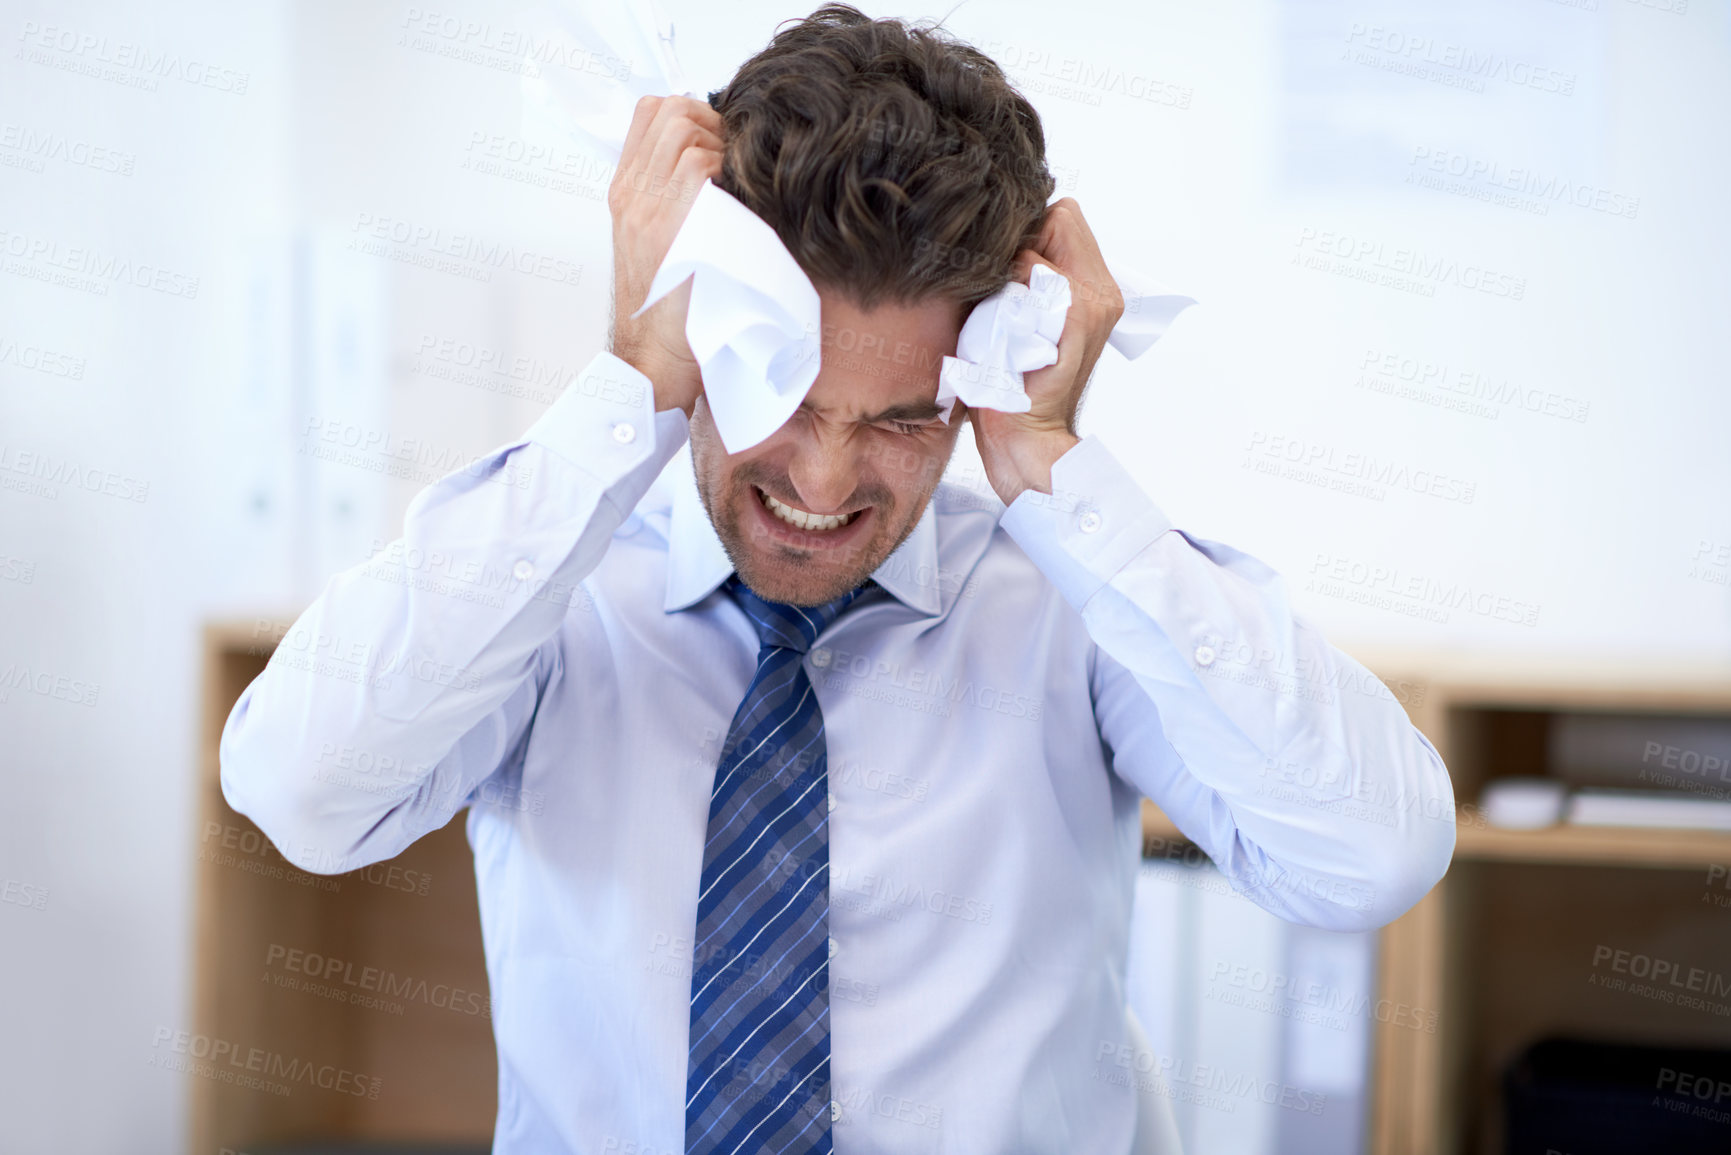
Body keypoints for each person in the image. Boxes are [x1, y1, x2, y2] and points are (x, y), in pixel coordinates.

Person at [221, 6, 1456, 1152]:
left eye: (903, 421)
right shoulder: (545, 593)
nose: (823, 480)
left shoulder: (1064, 607)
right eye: (778, 394)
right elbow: (304, 792)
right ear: (696, 332)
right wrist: (630, 387)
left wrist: (1048, 462)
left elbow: (1373, 854)